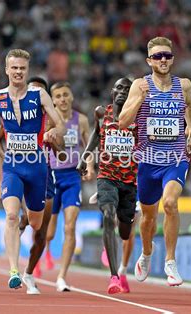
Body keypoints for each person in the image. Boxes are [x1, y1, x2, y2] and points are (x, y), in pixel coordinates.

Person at [0, 49, 65, 290]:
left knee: (36, 223)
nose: (18, 72)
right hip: (12, 166)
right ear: (6, 70)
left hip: (37, 166)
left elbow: (59, 124)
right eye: (14, 68)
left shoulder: (39, 96)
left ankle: (27, 222)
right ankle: (14, 270)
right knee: (10, 216)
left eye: (22, 68)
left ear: (27, 71)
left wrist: (53, 133)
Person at [119, 36, 191, 286]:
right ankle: (147, 253)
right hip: (148, 162)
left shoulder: (183, 85)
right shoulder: (139, 86)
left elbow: (189, 107)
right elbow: (123, 122)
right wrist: (140, 99)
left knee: (171, 203)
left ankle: (171, 263)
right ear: (149, 60)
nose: (163, 60)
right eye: (158, 56)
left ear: (172, 58)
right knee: (149, 218)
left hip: (175, 158)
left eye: (167, 56)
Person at [77, 77, 138, 294]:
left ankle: (111, 241)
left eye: (127, 89)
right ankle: (114, 276)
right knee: (107, 214)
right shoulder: (102, 113)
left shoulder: (138, 115)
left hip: (130, 181)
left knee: (124, 231)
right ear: (113, 91)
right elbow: (96, 132)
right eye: (119, 88)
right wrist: (85, 157)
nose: (123, 91)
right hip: (107, 177)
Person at [21, 76, 66, 294]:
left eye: (39, 93)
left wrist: (52, 141)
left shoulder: (52, 120)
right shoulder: (15, 114)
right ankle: (12, 267)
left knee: (40, 233)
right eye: (31, 91)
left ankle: (28, 273)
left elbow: (63, 154)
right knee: (18, 219)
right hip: (19, 171)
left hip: (45, 175)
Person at [46, 81, 92, 292]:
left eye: (66, 94)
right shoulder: (46, 120)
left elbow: (90, 146)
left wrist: (90, 165)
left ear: (71, 97)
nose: (63, 99)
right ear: (52, 100)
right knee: (48, 232)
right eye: (58, 96)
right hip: (50, 176)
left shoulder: (80, 120)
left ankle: (62, 276)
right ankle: (44, 252)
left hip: (72, 176)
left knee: (70, 226)